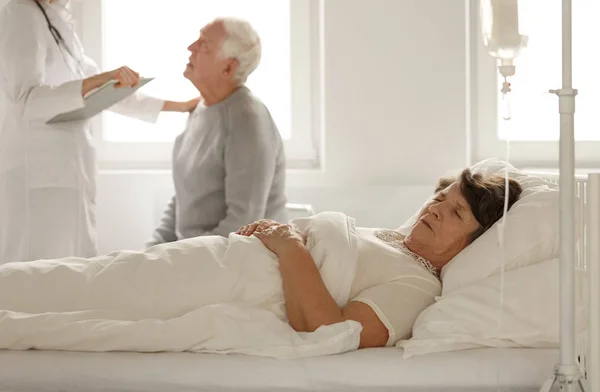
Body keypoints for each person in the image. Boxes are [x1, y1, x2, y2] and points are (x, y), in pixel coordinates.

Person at [0, 168, 523, 351]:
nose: (436, 208)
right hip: (216, 260)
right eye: (441, 196)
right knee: (85, 274)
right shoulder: (389, 239)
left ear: (471, 243)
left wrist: (288, 243)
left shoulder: (416, 287)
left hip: (221, 286)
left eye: (455, 212)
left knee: (85, 288)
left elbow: (327, 329)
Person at [0, 0, 200, 264]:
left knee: (72, 269)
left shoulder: (54, 16)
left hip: (69, 170)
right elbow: (26, 100)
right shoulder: (21, 15)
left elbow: (107, 92)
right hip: (36, 175)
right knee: (37, 272)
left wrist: (180, 106)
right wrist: (100, 79)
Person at [146, 17, 287, 247]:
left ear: (228, 68)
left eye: (204, 45)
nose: (190, 48)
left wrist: (177, 258)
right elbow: (184, 198)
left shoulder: (247, 118)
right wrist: (152, 250)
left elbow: (243, 223)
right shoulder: (200, 109)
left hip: (241, 259)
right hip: (200, 255)